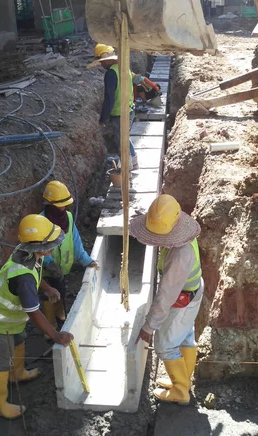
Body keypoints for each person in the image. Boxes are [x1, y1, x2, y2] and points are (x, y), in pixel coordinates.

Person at [0, 214, 74, 419]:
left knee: (20, 339)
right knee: (1, 360)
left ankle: (17, 373)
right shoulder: (23, 278)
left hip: (11, 319)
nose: (54, 247)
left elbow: (35, 275)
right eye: (51, 244)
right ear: (39, 246)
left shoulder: (26, 251)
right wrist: (55, 335)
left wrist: (46, 287)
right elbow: (34, 312)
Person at [132, 194, 203, 405]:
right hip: (191, 291)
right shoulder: (178, 225)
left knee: (164, 345)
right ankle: (184, 382)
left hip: (183, 299)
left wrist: (149, 326)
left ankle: (181, 392)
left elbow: (166, 293)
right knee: (184, 337)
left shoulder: (180, 255)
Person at [88, 43, 160, 170]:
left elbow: (109, 98)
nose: (101, 64)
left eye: (102, 62)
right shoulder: (124, 68)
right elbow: (135, 80)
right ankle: (134, 161)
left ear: (107, 60)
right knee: (125, 138)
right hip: (130, 109)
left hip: (119, 112)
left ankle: (127, 168)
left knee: (121, 141)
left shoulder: (110, 74)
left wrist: (103, 118)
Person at [40, 180, 99, 331]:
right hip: (46, 271)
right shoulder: (40, 222)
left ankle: (62, 323)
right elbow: (37, 246)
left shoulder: (68, 217)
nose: (64, 207)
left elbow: (75, 241)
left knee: (60, 295)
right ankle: (50, 330)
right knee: (48, 297)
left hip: (62, 270)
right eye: (61, 204)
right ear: (50, 204)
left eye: (65, 204)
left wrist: (86, 260)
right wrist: (49, 263)